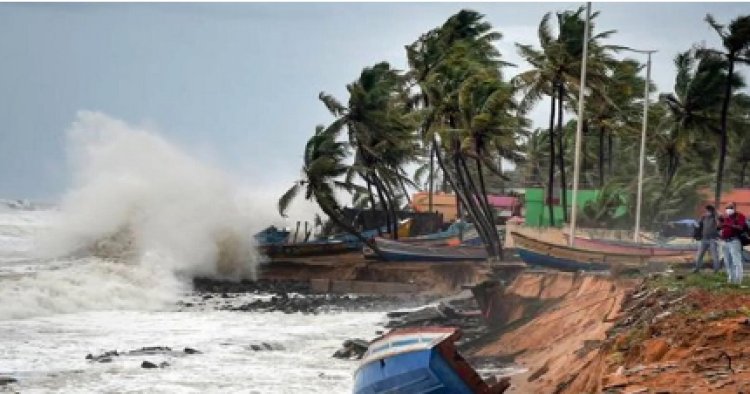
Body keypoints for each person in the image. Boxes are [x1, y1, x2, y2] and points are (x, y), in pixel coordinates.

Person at [718, 202, 746, 284]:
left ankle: (738, 280)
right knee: (727, 261)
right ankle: (731, 279)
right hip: (725, 241)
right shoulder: (725, 217)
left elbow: (740, 227)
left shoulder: (740, 216)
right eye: (727, 208)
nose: (728, 209)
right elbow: (719, 227)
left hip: (734, 241)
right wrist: (720, 221)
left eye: (730, 207)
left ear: (734, 208)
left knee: (736, 261)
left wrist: (727, 224)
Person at [693, 205, 720, 273]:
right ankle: (697, 268)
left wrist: (715, 213)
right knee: (700, 255)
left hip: (713, 239)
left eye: (708, 211)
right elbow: (698, 226)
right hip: (704, 239)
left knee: (715, 255)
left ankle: (716, 270)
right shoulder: (704, 217)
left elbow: (719, 223)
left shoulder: (715, 217)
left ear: (711, 211)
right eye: (706, 211)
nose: (707, 212)